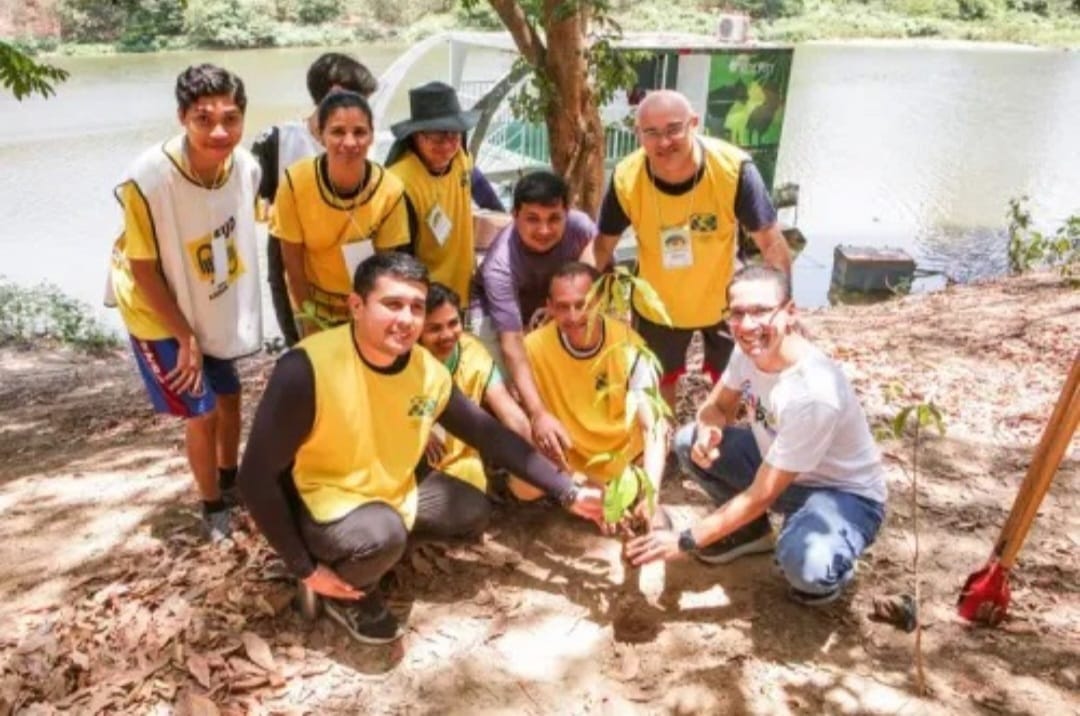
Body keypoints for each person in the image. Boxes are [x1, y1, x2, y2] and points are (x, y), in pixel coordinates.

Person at [237, 253, 603, 645]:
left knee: (471, 510)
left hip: (391, 490)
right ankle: (346, 590)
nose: (407, 319)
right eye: (392, 304)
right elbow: (255, 478)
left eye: (415, 307)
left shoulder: (425, 371)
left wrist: (567, 490)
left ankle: (369, 552)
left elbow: (490, 436)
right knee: (384, 536)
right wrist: (303, 565)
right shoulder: (306, 367)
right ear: (357, 306)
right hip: (323, 498)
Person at [626, 266, 887, 606]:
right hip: (780, 465)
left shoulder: (812, 393)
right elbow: (717, 406)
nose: (747, 326)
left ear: (790, 312)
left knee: (805, 567)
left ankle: (829, 561)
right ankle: (751, 534)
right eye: (737, 313)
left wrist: (686, 540)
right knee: (687, 441)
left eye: (761, 311)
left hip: (841, 493)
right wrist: (710, 431)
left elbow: (760, 494)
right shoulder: (748, 350)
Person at [106, 63, 261, 542]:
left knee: (231, 396)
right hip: (156, 307)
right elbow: (143, 268)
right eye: (203, 119)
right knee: (203, 409)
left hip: (203, 297)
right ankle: (211, 506)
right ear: (182, 118)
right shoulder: (149, 179)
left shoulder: (246, 168)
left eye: (230, 118)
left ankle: (231, 483)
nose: (219, 131)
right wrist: (184, 335)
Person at [588, 89, 792, 412]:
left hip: (723, 301)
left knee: (734, 379)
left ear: (693, 123)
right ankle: (663, 447)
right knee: (658, 383)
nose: (663, 142)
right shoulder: (628, 178)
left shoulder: (733, 169)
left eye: (673, 129)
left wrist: (781, 305)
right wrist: (575, 299)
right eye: (651, 133)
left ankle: (717, 438)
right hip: (658, 305)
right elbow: (601, 246)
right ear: (638, 134)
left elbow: (771, 243)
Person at [514, 263, 668, 528]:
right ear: (549, 306)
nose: (574, 316)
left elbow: (653, 425)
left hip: (621, 455)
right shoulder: (532, 349)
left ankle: (631, 498)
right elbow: (524, 423)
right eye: (563, 306)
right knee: (522, 486)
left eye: (582, 304)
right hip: (569, 460)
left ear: (600, 300)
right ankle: (578, 494)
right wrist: (576, 479)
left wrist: (651, 491)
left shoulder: (629, 345)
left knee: (653, 459)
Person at [468, 170, 597, 464]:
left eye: (554, 218)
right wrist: (537, 412)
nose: (544, 230)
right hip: (492, 314)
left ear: (568, 212)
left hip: (547, 305)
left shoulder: (582, 227)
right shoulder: (499, 265)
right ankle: (523, 459)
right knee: (506, 385)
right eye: (532, 219)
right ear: (514, 215)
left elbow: (593, 284)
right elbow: (512, 343)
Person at [252, 52, 378, 347]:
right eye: (360, 98)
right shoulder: (277, 140)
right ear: (336, 92)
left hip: (348, 256)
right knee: (305, 346)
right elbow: (257, 204)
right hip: (293, 256)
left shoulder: (361, 138)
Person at [271, 90, 409, 337]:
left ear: (371, 137)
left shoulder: (390, 190)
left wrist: (370, 317)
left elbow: (385, 265)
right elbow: (292, 260)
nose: (349, 143)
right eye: (337, 132)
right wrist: (307, 316)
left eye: (359, 132)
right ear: (320, 135)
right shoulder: (296, 182)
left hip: (364, 304)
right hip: (313, 302)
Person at [386, 81, 505, 304]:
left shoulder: (460, 157)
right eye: (438, 138)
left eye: (454, 135)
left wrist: (504, 223)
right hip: (428, 296)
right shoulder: (401, 184)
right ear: (417, 136)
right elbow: (402, 255)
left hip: (463, 286)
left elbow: (481, 188)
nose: (448, 146)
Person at [417, 282, 531, 492]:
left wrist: (533, 458)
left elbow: (509, 412)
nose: (447, 335)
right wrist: (417, 431)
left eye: (453, 323)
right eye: (434, 328)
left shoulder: (472, 352)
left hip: (461, 463)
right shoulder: (403, 360)